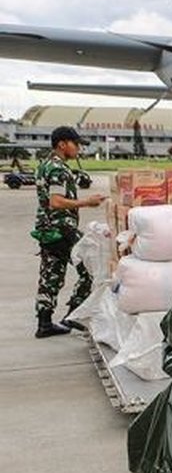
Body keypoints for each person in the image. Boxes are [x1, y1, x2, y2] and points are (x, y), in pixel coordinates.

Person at [31, 126, 105, 338]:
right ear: (62, 144)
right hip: (62, 228)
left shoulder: (45, 165)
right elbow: (56, 202)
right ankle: (74, 315)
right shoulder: (58, 169)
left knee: (50, 274)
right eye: (76, 144)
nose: (79, 148)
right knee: (91, 266)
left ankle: (44, 323)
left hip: (46, 230)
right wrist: (87, 202)